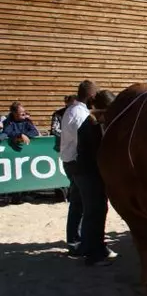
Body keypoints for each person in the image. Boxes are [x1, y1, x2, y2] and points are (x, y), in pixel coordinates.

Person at [75, 90, 118, 266]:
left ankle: (97, 247)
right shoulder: (91, 126)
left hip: (89, 172)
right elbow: (96, 154)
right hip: (88, 173)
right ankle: (93, 254)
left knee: (97, 210)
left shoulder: (93, 124)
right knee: (94, 211)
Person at [60, 80, 98, 255]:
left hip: (69, 162)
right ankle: (88, 246)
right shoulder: (82, 115)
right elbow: (85, 142)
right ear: (91, 96)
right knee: (90, 207)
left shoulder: (71, 110)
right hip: (80, 163)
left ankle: (74, 241)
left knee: (76, 204)